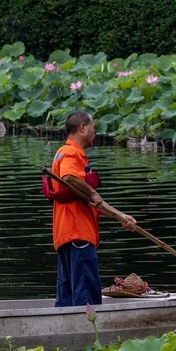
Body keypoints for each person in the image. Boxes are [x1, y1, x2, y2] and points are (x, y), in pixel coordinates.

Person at [45, 111, 137, 307]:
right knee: (85, 294)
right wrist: (94, 194)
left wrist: (119, 216)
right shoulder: (71, 152)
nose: (95, 132)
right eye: (93, 127)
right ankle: (89, 334)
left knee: (68, 295)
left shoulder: (62, 153)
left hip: (66, 234)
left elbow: (88, 202)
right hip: (78, 235)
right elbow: (70, 178)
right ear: (82, 127)